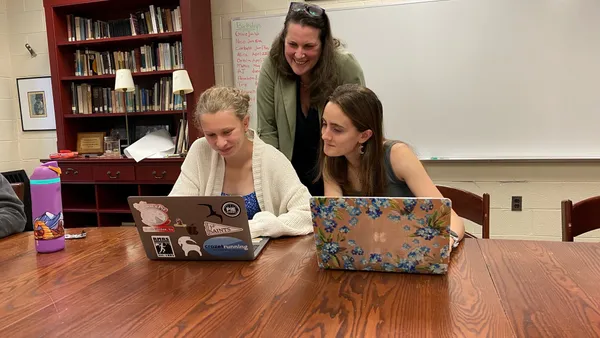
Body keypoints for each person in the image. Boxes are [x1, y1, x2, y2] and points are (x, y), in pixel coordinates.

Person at [318, 84, 466, 249]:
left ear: (364, 135)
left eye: (337, 130)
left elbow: (450, 218)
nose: (325, 135)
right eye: (324, 124)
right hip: (370, 254)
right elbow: (335, 221)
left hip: (411, 251)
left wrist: (448, 242)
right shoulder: (332, 159)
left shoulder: (398, 155)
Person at [169, 86, 313, 239]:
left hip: (265, 258)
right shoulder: (200, 150)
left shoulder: (272, 159)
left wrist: (260, 227)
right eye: (211, 135)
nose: (220, 143)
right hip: (210, 253)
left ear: (245, 123)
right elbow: (176, 207)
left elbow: (308, 213)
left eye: (227, 132)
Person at [256, 2, 365, 196]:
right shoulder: (272, 64)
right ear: (283, 40)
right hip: (289, 178)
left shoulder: (344, 65)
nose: (299, 54)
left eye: (309, 46)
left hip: (338, 176)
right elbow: (267, 130)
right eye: (292, 44)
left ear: (324, 45)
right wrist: (278, 184)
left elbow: (361, 125)